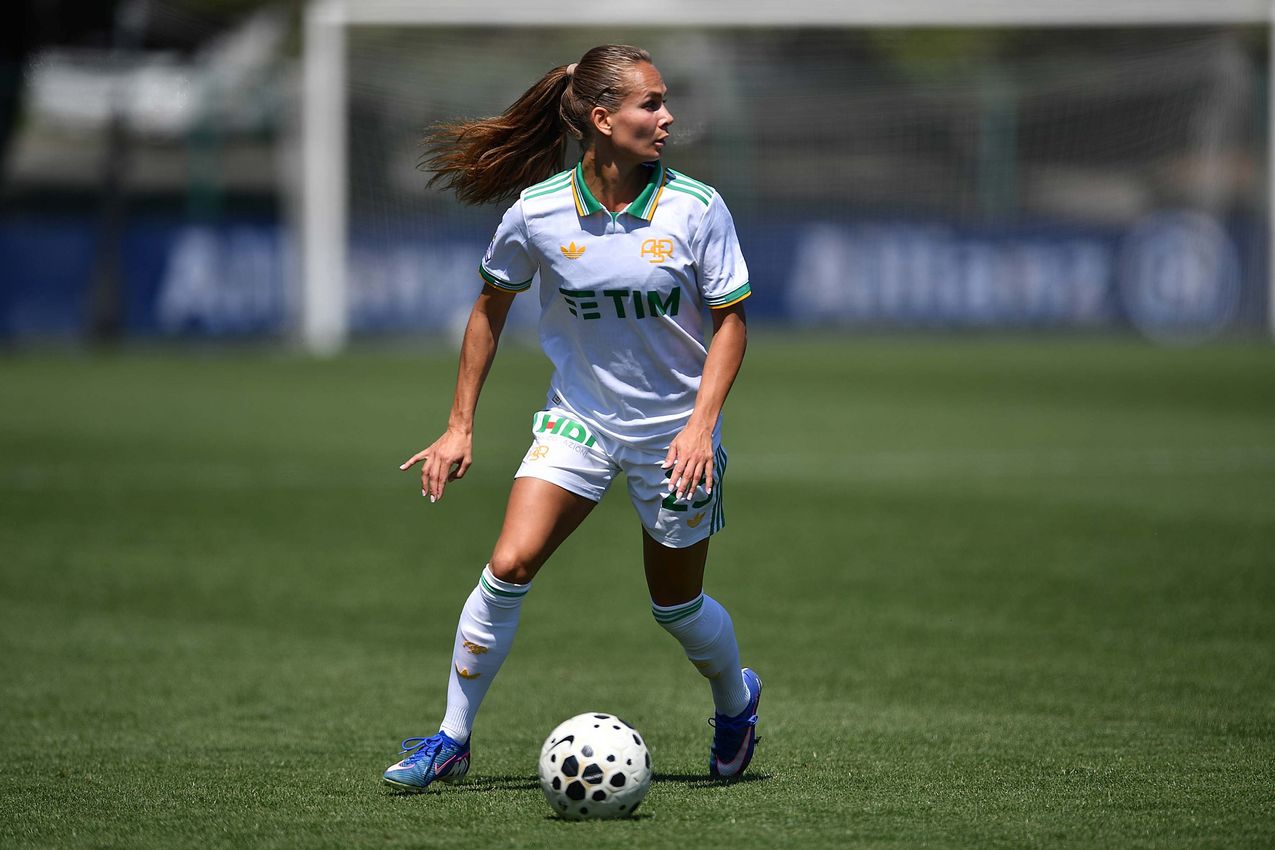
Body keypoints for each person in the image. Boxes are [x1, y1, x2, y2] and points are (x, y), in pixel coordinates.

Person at [384, 44, 759, 793]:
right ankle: (452, 739)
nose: (666, 116)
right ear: (600, 117)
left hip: (672, 436)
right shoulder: (538, 211)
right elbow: (490, 308)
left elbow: (731, 323)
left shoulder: (696, 207)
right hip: (577, 419)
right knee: (508, 565)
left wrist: (697, 427)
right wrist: (459, 425)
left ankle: (735, 702)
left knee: (676, 607)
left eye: (662, 101)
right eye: (649, 103)